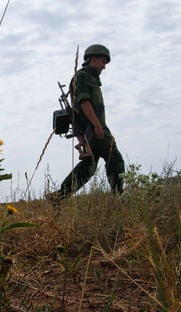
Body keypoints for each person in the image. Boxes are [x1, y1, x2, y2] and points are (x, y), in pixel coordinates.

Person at [50, 44, 125, 203]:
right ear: (93, 58)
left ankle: (58, 197)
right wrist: (97, 126)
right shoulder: (83, 76)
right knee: (115, 160)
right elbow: (84, 103)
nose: (104, 67)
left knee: (87, 168)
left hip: (92, 130)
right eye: (103, 62)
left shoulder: (91, 78)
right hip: (96, 129)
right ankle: (118, 198)